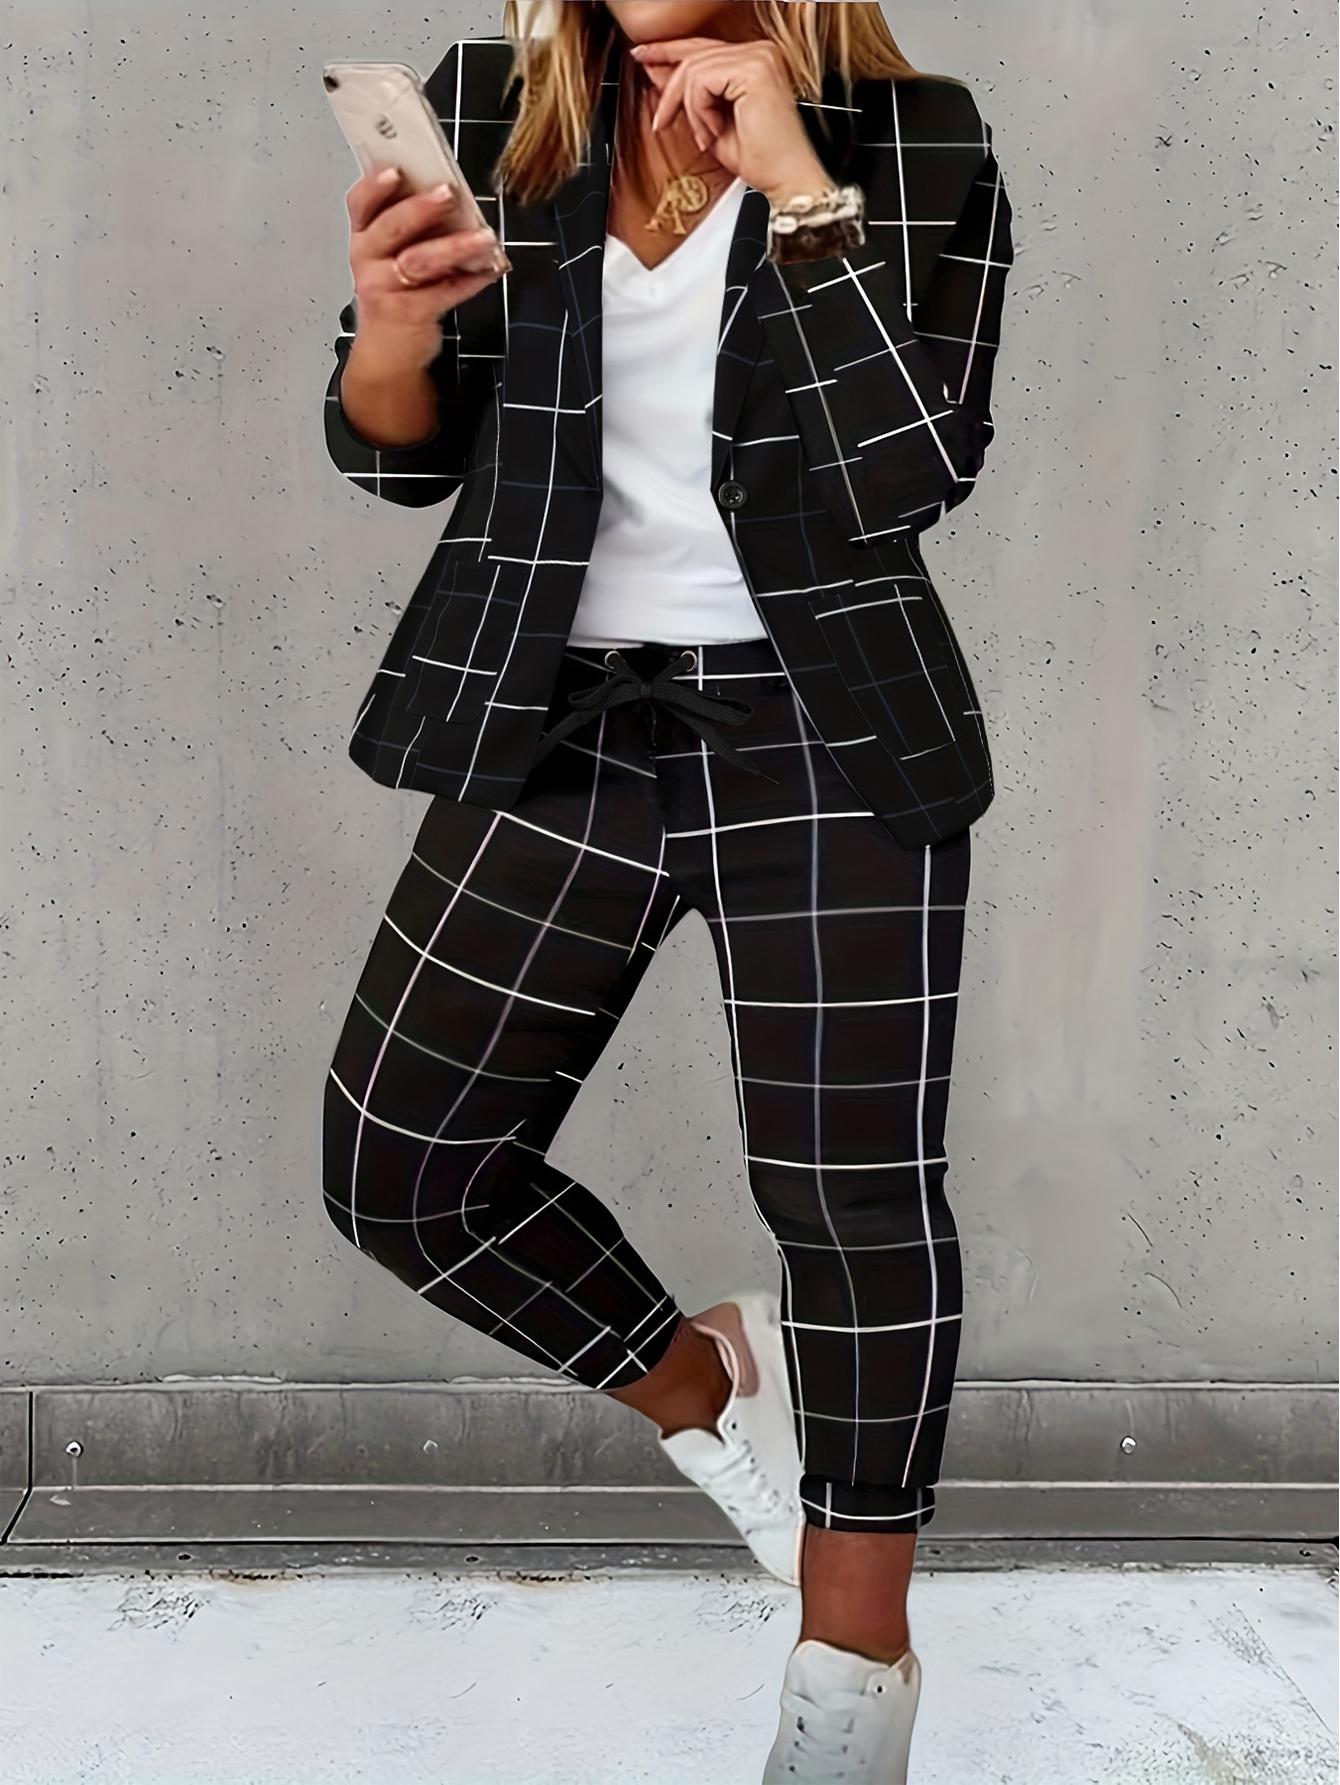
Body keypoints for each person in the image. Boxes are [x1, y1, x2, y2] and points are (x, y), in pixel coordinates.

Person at [320, 2, 1013, 1777]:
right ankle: (708, 1383)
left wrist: (799, 189)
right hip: (565, 719)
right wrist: (393, 327)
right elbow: (397, 454)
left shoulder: (916, 134)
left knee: (850, 1203)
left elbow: (908, 472)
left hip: (827, 727)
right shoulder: (496, 108)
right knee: (404, 1163)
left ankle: (851, 1683)